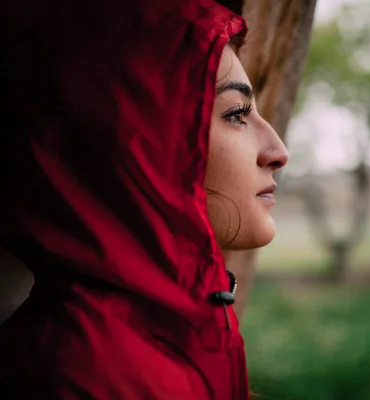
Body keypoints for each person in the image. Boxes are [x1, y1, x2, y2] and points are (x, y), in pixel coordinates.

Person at [0, 0, 288, 398]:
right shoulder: (80, 373)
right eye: (237, 113)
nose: (278, 151)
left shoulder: (177, 335)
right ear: (137, 146)